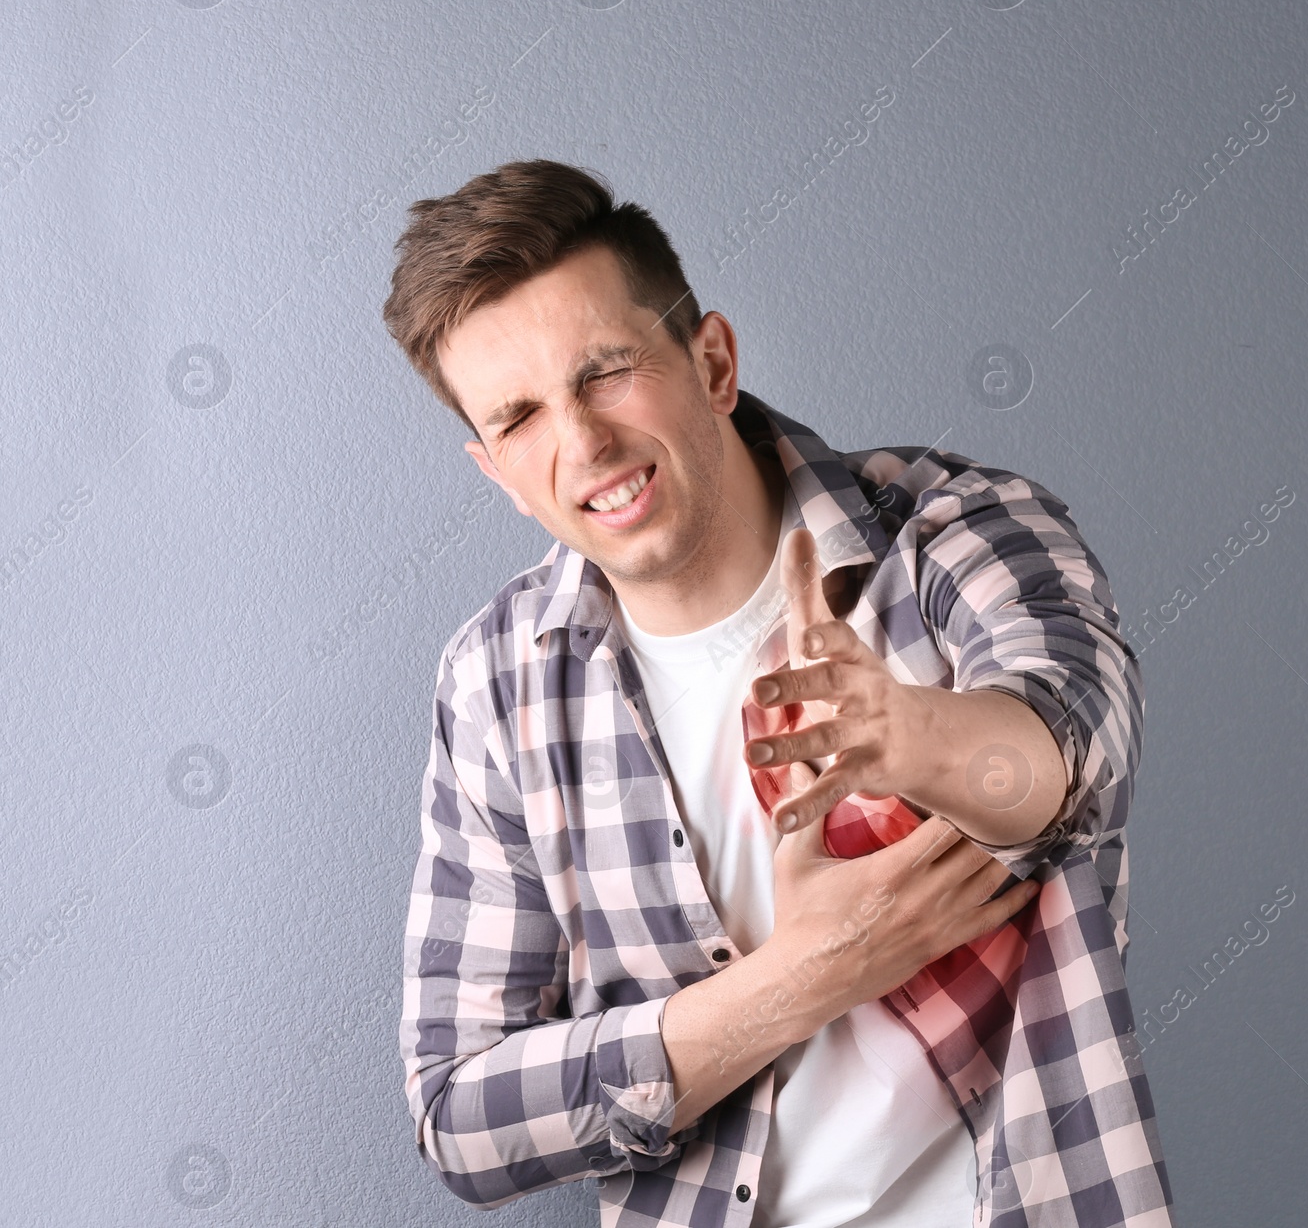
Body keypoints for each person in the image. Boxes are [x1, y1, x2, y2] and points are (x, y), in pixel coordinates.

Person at [385, 159, 1174, 1227]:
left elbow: (1078, 755)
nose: (582, 444)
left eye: (605, 371)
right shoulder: (498, 683)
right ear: (495, 472)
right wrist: (799, 979)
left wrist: (908, 734)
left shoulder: (947, 537)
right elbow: (460, 1115)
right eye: (521, 418)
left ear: (712, 360)